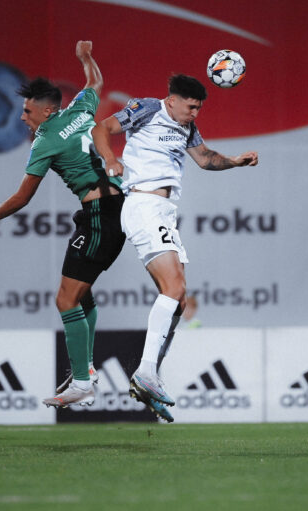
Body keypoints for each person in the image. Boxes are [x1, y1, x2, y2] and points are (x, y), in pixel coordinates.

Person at [0, 41, 132, 411]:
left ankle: (83, 382)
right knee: (80, 294)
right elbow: (95, 82)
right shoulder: (81, 110)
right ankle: (85, 368)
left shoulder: (45, 140)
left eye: (27, 111)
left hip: (101, 214)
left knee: (65, 299)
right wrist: (86, 57)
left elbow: (23, 197)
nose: (22, 117)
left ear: (47, 109)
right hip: (112, 209)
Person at [94, 74, 258, 420]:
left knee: (180, 302)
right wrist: (110, 159)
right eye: (191, 106)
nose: (195, 113)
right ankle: (146, 372)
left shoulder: (186, 128)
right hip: (143, 205)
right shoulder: (149, 109)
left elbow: (205, 158)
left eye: (199, 107)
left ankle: (150, 376)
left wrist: (235, 161)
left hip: (164, 212)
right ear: (172, 101)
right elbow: (101, 129)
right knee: (175, 287)